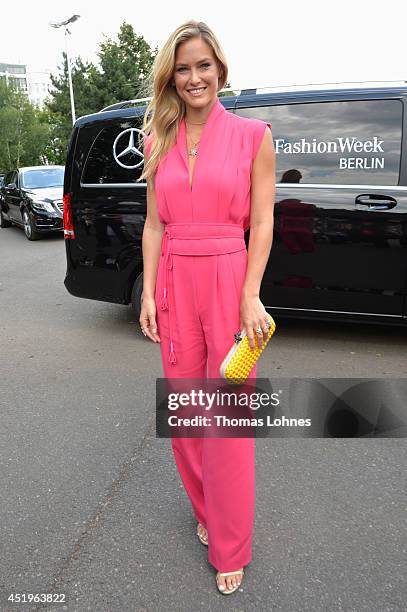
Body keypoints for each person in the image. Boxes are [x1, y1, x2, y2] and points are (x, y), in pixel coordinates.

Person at [138, 20, 275, 595]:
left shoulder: (253, 135)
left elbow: (263, 221)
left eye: (203, 65)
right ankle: (205, 509)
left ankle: (230, 545)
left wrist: (250, 294)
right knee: (188, 413)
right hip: (173, 276)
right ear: (171, 78)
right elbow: (153, 221)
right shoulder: (158, 141)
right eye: (183, 68)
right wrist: (147, 290)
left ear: (219, 69)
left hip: (225, 274)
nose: (194, 77)